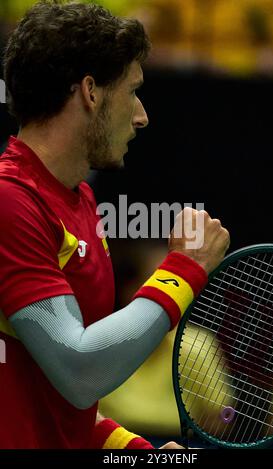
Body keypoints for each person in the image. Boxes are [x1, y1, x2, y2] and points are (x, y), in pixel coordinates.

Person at [0, 1, 230, 449]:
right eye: (132, 91)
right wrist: (184, 268)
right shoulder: (11, 201)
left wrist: (128, 449)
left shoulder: (80, 200)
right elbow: (80, 372)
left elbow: (59, 398)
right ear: (91, 91)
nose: (142, 115)